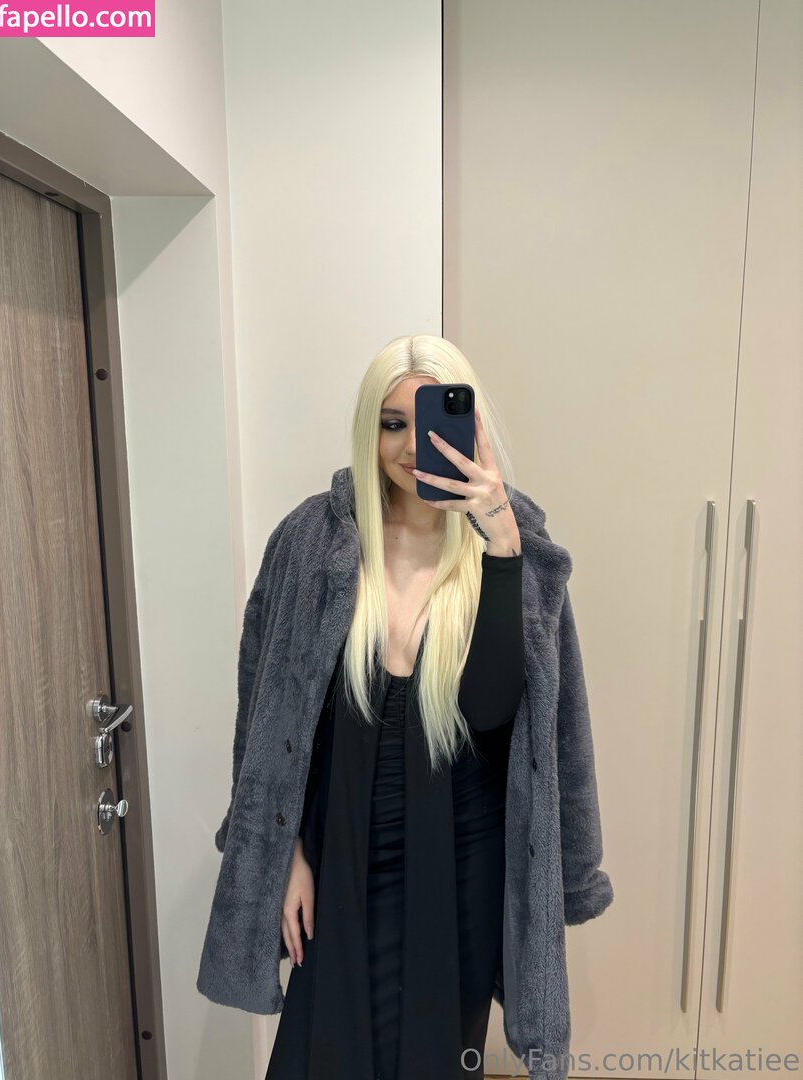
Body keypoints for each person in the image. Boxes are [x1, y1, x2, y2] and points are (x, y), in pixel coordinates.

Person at [196, 335, 614, 1080]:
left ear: (470, 426)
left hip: (461, 864)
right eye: (393, 423)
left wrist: (503, 549)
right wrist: (289, 855)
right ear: (369, 429)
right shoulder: (312, 543)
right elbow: (263, 719)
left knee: (434, 1055)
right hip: (340, 851)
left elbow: (493, 712)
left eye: (431, 421)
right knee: (317, 1054)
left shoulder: (512, 547)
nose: (413, 446)